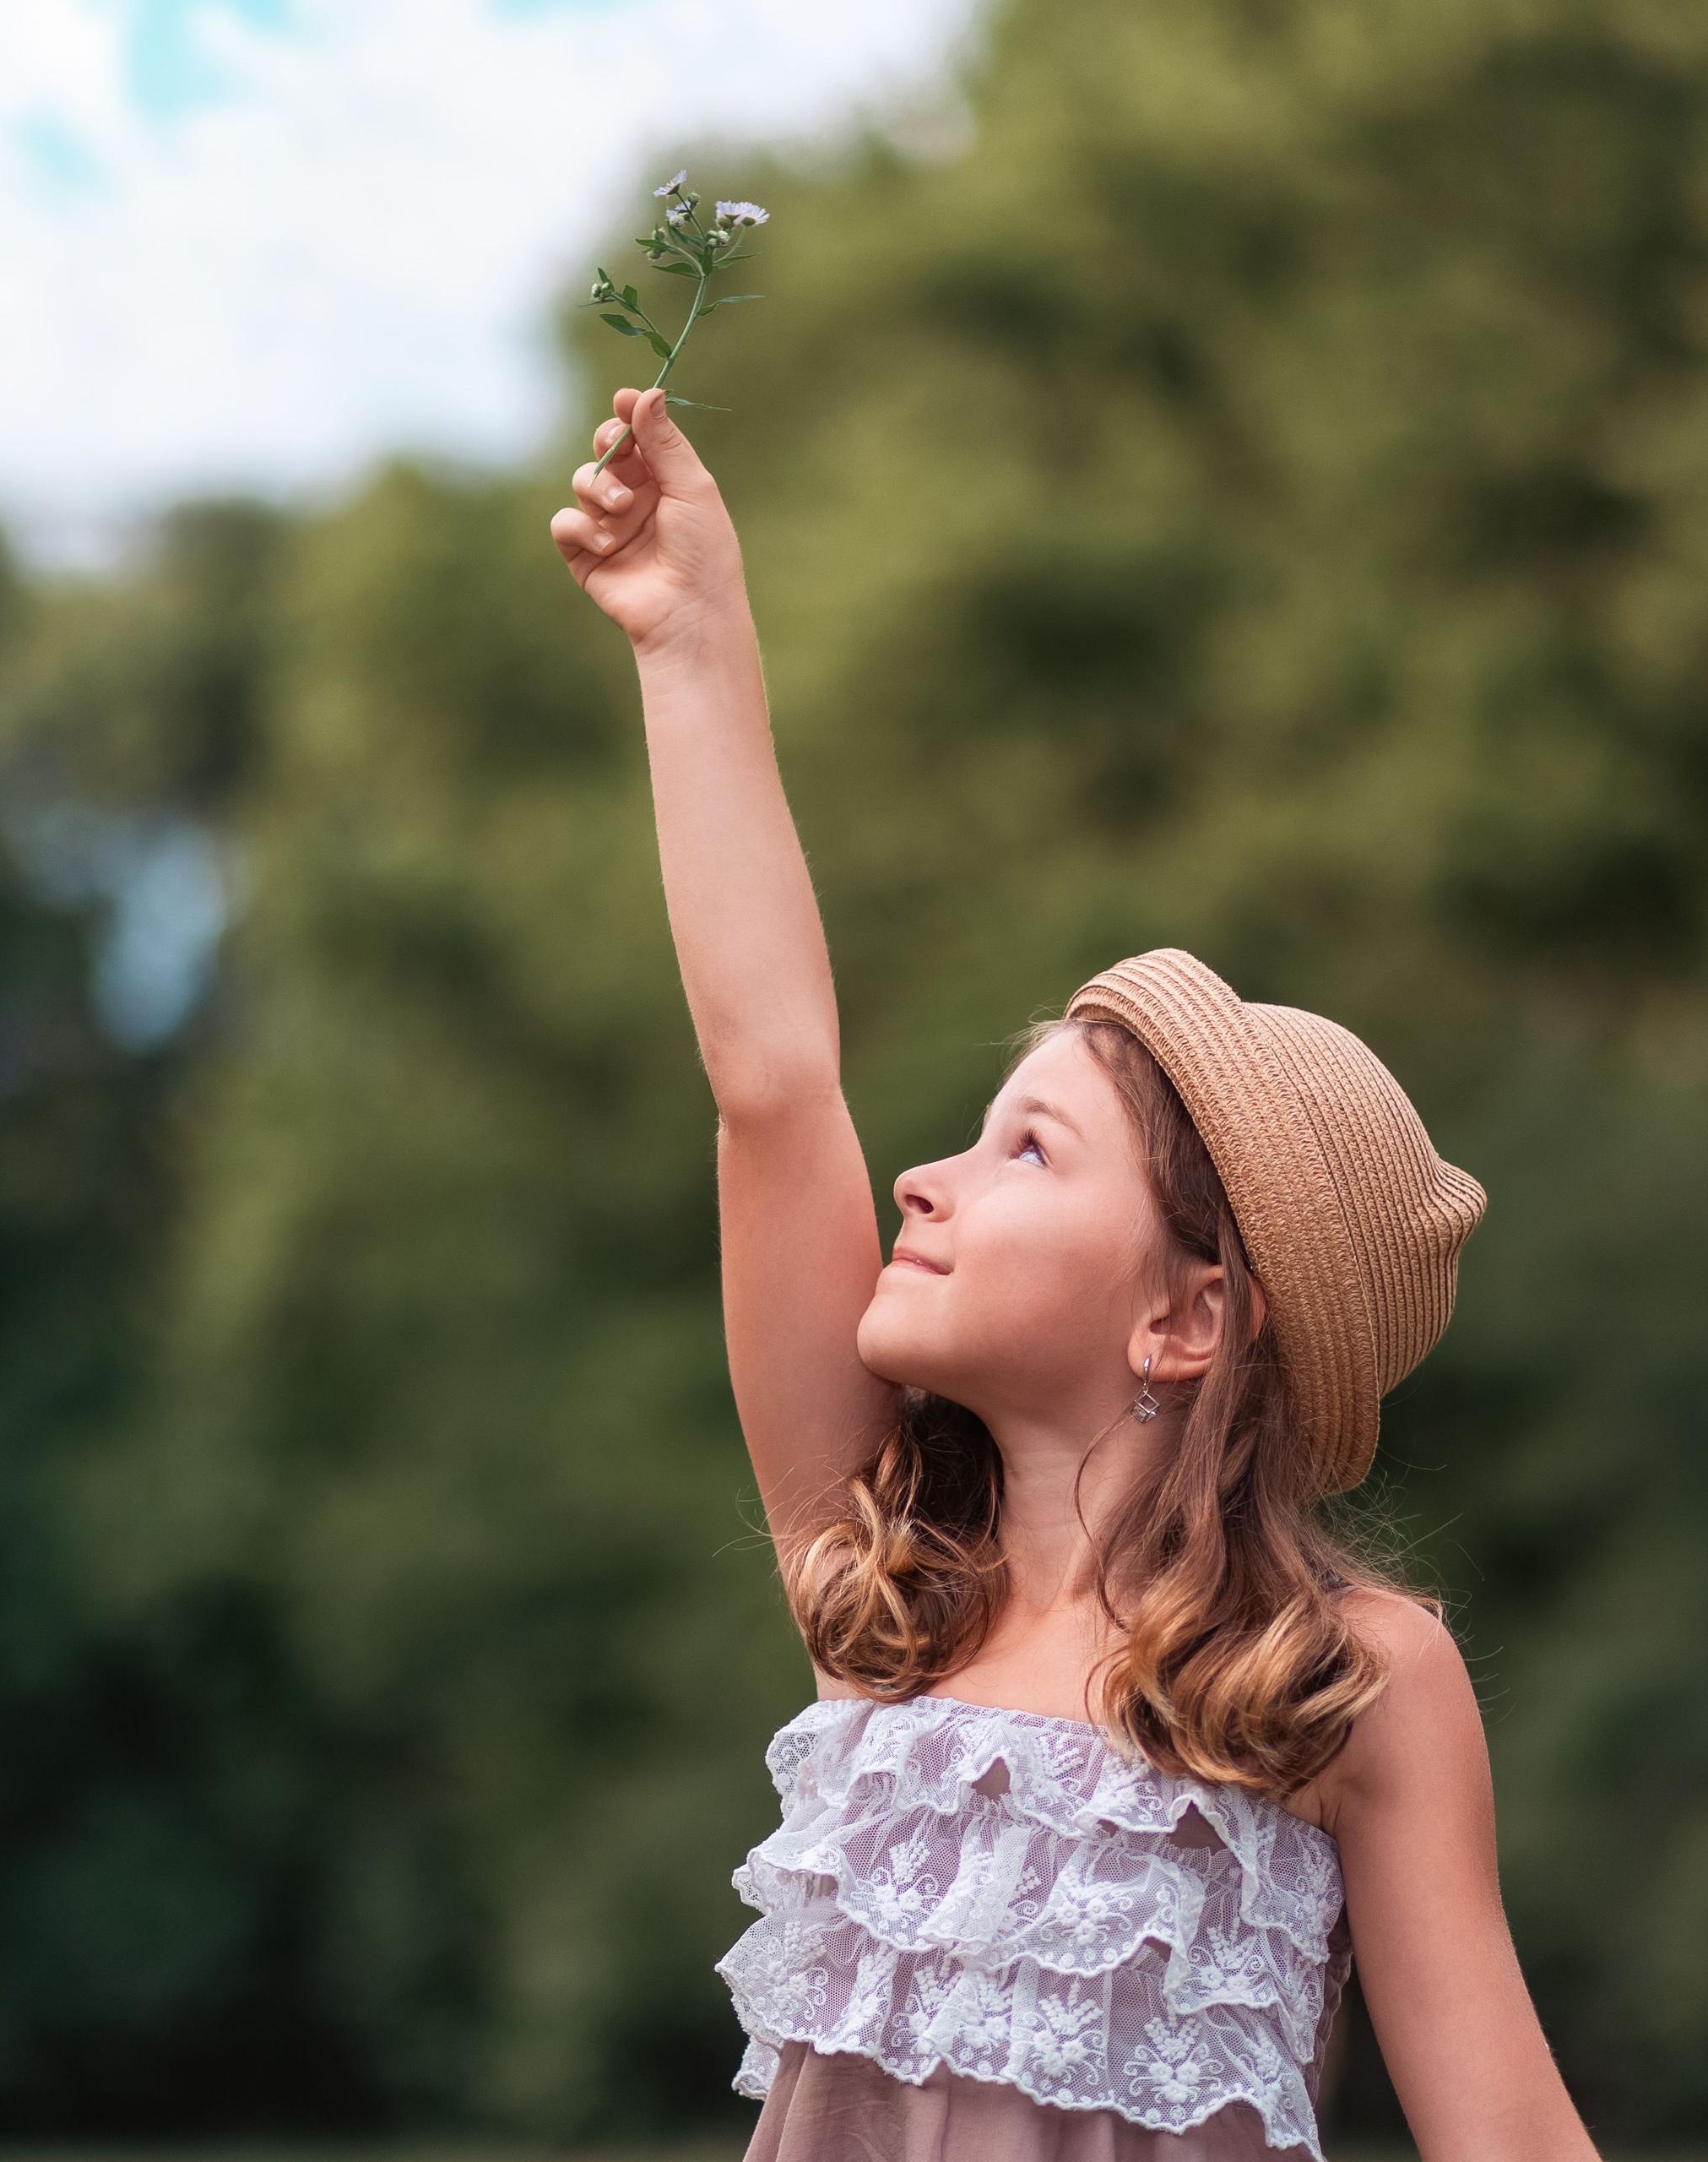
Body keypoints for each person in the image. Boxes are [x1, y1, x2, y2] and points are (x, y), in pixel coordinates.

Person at [551, 384, 1601, 2162]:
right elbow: (772, 1081)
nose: (925, 1178)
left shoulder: (1340, 1676)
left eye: (1027, 1146)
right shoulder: (889, 1583)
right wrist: (692, 636)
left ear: (1189, 1314)